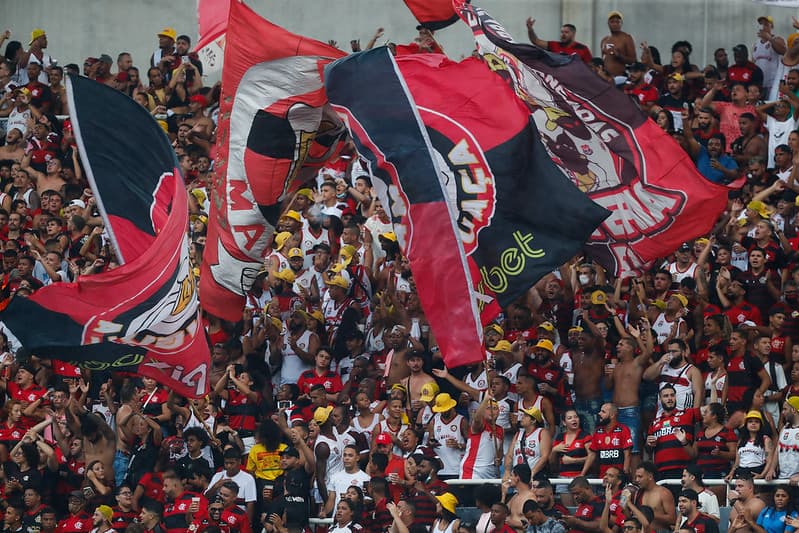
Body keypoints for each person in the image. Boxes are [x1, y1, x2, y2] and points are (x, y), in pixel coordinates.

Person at [633, 462, 676, 531]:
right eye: (636, 477)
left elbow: (673, 519)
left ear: (650, 477)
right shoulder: (638, 493)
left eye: (640, 477)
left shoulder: (664, 493)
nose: (637, 480)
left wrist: (650, 515)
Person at [525, 19, 592, 63]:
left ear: (573, 34)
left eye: (566, 32)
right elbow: (536, 41)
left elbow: (590, 67)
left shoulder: (583, 49)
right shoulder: (554, 45)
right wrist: (530, 29)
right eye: (562, 32)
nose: (563, 35)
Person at [599, 11, 636, 77]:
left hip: (619, 78)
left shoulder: (626, 38)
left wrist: (618, 55)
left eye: (618, 22)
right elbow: (603, 60)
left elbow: (633, 60)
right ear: (608, 23)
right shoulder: (604, 40)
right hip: (605, 78)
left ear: (621, 23)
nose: (615, 24)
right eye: (612, 21)